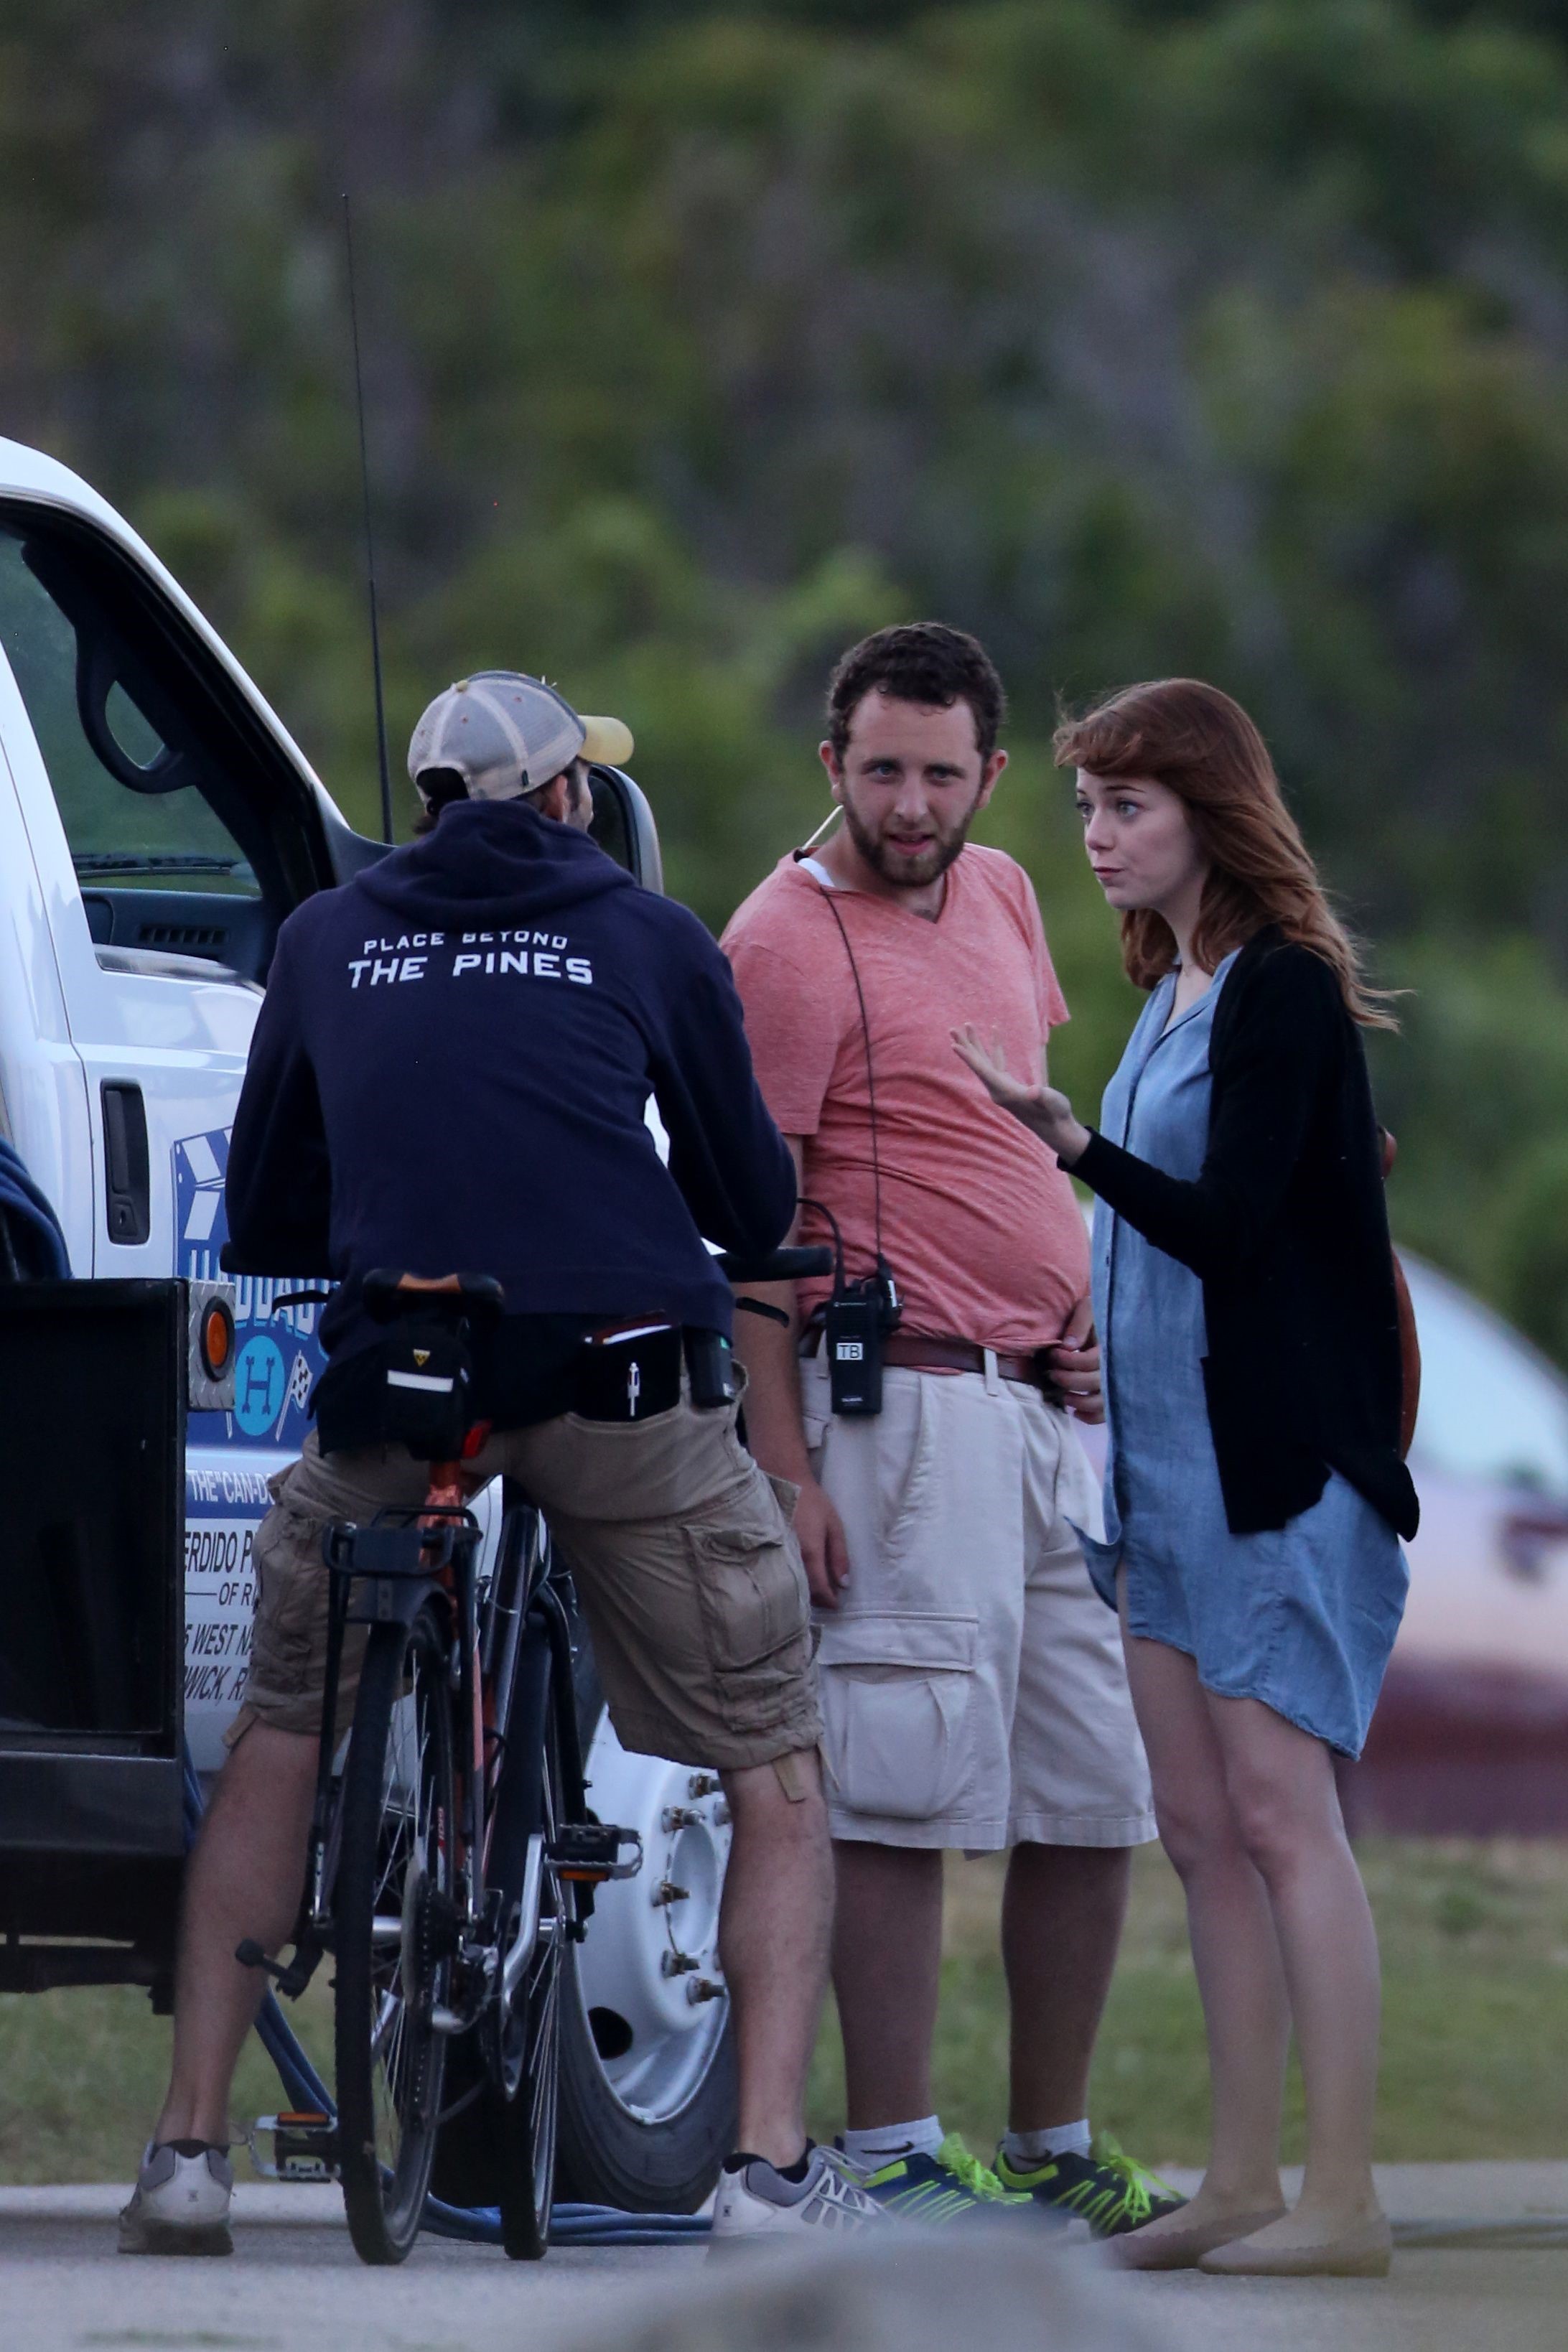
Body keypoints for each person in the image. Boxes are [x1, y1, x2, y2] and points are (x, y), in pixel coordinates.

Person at [121, 670, 882, 2254]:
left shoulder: (326, 938)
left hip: (404, 1389)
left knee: (281, 1725)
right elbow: (750, 1202)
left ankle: (187, 2152)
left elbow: (264, 1217)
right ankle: (763, 2171)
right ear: (568, 798)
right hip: (619, 1391)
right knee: (772, 1758)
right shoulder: (648, 934)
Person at [954, 677, 1417, 2279]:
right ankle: (1238, 2184)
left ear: (1209, 813)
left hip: (1274, 1474)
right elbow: (1166, 1256)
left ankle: (1343, 2196)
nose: (1096, 835)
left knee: (1288, 1822)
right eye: (1087, 806)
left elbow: (1231, 1229)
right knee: (1202, 1832)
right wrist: (1098, 1330)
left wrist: (1072, 1146)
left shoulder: (1281, 987)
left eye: (1128, 806)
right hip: (1156, 1483)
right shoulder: (1168, 992)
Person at [722, 624, 1179, 2235]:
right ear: (831, 764)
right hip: (896, 1411)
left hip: (1039, 1414)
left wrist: (1079, 1308)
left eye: (939, 774)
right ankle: (893, 2146)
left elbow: (1019, 1139)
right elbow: (756, 1235)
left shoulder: (1002, 893)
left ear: (989, 775)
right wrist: (785, 1471)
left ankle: (1049, 2141)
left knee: (1095, 1788)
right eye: (880, 771)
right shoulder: (781, 941)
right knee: (897, 1781)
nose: (909, 806)